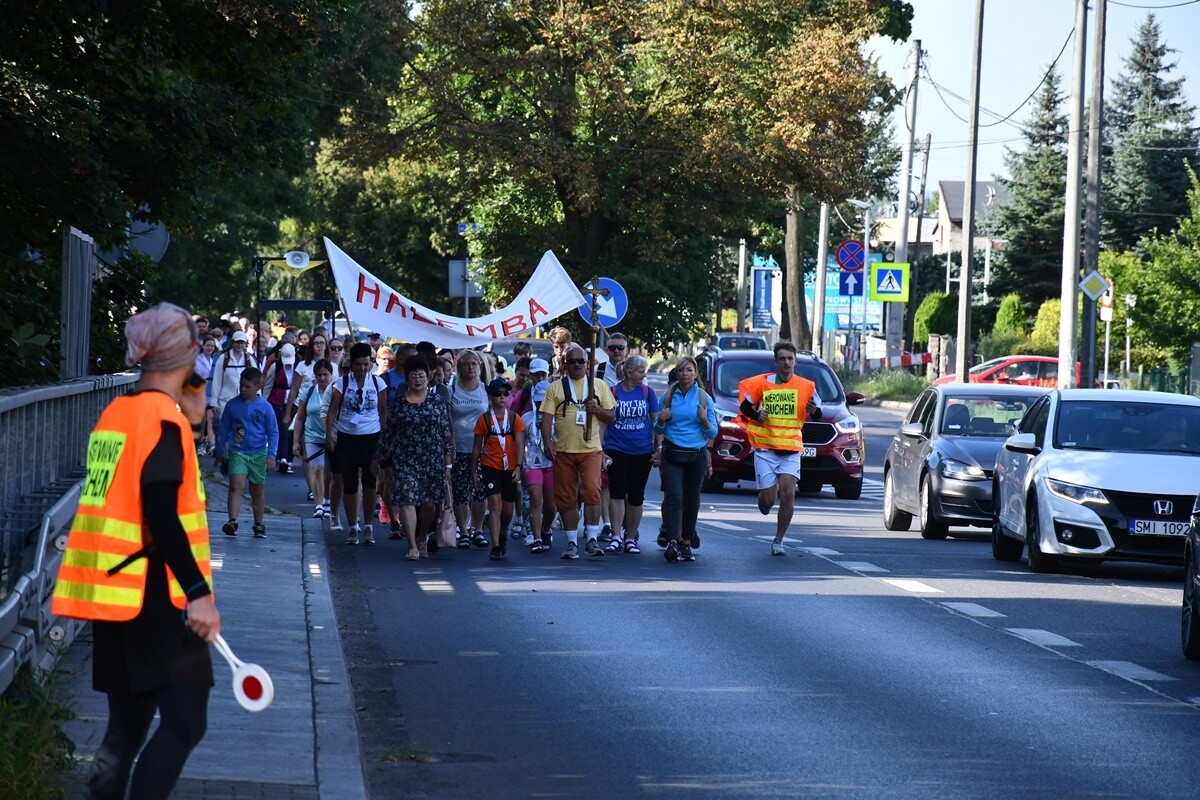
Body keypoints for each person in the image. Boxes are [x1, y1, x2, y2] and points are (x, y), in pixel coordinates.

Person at [52, 303, 219, 800]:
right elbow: (162, 513)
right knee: (186, 721)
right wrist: (199, 593)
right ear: (187, 356)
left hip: (115, 594)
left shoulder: (118, 414)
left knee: (124, 732)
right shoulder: (162, 423)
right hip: (156, 597)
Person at [737, 340, 821, 557]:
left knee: (788, 494)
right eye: (782, 359)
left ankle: (778, 540)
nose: (786, 362)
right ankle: (763, 502)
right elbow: (745, 407)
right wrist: (757, 415)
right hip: (766, 449)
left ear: (796, 361)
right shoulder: (762, 384)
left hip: (791, 449)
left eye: (790, 359)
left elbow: (818, 413)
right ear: (776, 362)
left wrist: (814, 410)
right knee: (768, 499)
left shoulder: (806, 386)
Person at [540, 343, 617, 559]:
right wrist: (547, 443)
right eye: (571, 361)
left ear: (587, 363)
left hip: (591, 450)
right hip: (563, 451)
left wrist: (598, 410)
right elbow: (546, 418)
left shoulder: (599, 386)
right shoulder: (555, 388)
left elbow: (611, 416)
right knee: (566, 498)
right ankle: (572, 542)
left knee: (592, 491)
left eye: (580, 361)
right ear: (564, 364)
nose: (576, 365)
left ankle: (591, 539)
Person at [377, 356, 454, 561]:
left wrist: (448, 463)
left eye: (421, 375)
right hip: (405, 460)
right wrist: (378, 459)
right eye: (413, 376)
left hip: (432, 460)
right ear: (407, 379)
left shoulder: (437, 402)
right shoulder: (400, 404)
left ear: (428, 378)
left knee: (430, 504)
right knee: (408, 500)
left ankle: (422, 537)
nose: (418, 379)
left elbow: (446, 433)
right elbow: (388, 434)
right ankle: (411, 546)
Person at [653, 357, 717, 562]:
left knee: (692, 500)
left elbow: (713, 432)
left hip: (696, 454)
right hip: (672, 453)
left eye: (689, 370)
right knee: (674, 497)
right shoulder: (668, 396)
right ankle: (672, 541)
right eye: (681, 371)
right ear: (677, 374)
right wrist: (662, 419)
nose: (684, 374)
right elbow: (657, 428)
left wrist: (704, 419)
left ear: (696, 374)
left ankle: (686, 542)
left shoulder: (704, 398)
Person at [326, 342, 388, 545]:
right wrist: (329, 435)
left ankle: (368, 526)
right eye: (358, 364)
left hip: (371, 437)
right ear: (351, 364)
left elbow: (382, 413)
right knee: (350, 483)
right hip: (347, 437)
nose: (362, 368)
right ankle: (353, 525)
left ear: (371, 363)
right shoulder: (341, 384)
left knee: (370, 482)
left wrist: (384, 440)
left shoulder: (378, 384)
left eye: (366, 364)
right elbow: (332, 411)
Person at [602, 355, 660, 553]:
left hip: (642, 450)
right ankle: (616, 536)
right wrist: (600, 449)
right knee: (617, 490)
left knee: (636, 495)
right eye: (641, 371)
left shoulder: (647, 392)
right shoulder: (613, 391)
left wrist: (658, 448)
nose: (644, 375)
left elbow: (656, 422)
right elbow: (603, 421)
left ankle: (630, 538)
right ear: (628, 373)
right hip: (616, 448)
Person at [215, 367, 278, 538]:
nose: (243, 389)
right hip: (238, 451)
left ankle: (258, 524)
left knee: (256, 490)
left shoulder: (265, 407)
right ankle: (232, 521)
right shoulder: (232, 405)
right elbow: (224, 429)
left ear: (258, 387)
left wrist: (271, 455)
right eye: (241, 385)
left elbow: (273, 432)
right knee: (236, 485)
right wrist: (220, 451)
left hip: (258, 453)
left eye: (247, 386)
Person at [472, 377, 527, 560]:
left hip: (510, 467)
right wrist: (474, 471)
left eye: (505, 394)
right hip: (490, 467)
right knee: (494, 505)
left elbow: (519, 443)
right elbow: (477, 447)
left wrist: (519, 466)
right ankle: (495, 545)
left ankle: (503, 533)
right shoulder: (484, 420)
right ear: (490, 397)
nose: (502, 398)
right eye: (498, 394)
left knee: (508, 510)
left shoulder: (514, 418)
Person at [448, 350, 490, 548]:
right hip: (459, 448)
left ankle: (478, 529)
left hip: (482, 450)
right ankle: (463, 531)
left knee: (480, 490)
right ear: (459, 367)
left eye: (474, 364)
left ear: (480, 367)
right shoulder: (452, 389)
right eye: (465, 364)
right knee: (460, 491)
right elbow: (447, 421)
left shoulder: (486, 390)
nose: (470, 367)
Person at [293, 359, 334, 519]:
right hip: (312, 436)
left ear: (331, 375)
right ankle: (318, 505)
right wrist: (296, 441)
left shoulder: (336, 393)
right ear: (315, 376)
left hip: (331, 438)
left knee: (330, 473)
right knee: (317, 470)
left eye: (326, 374)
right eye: (319, 375)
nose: (323, 378)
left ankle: (328, 500)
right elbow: (299, 418)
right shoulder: (308, 393)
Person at [521, 380, 556, 553]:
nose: (541, 404)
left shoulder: (558, 417)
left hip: (551, 464)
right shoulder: (526, 418)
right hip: (532, 464)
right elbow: (520, 443)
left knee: (551, 505)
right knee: (536, 499)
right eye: (538, 400)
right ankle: (536, 539)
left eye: (545, 401)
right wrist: (518, 465)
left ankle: (546, 529)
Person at [263, 343, 298, 473]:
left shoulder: (298, 366)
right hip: (277, 402)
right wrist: (264, 404)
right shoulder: (275, 367)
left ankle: (289, 459)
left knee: (291, 431)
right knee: (282, 430)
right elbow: (267, 386)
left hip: (294, 403)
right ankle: (282, 458)